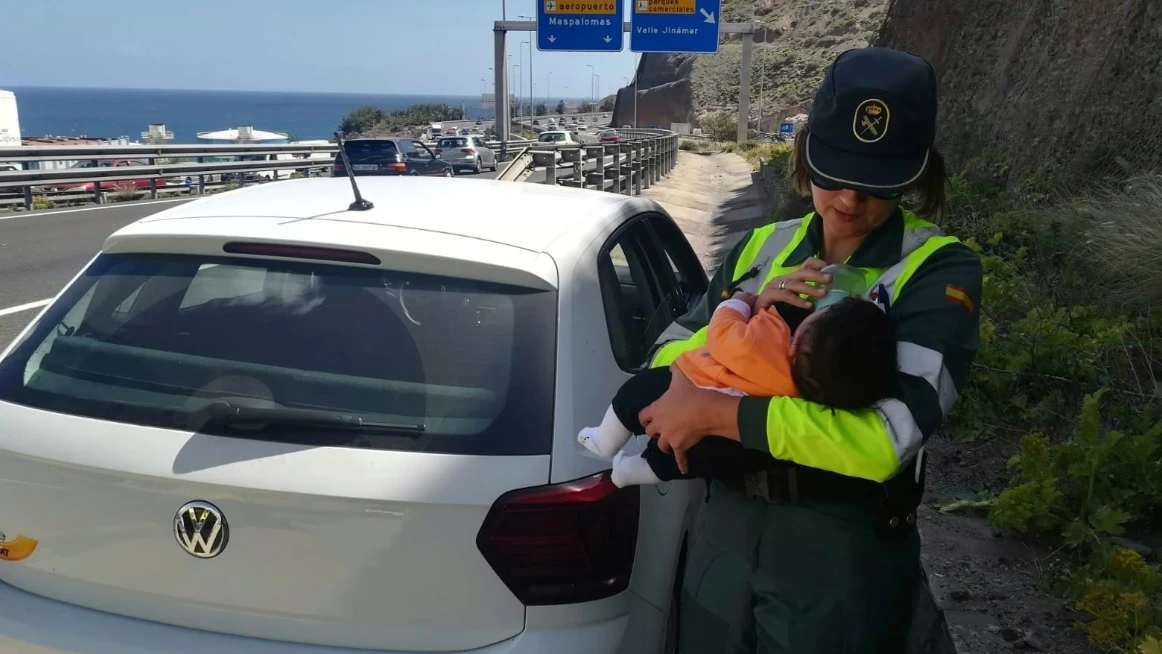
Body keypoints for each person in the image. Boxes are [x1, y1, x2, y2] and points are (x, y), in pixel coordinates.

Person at [639, 46, 983, 653]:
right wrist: (741, 325)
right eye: (835, 175)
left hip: (839, 546)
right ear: (806, 156)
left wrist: (718, 412)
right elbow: (666, 356)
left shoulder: (935, 271)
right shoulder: (762, 248)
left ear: (917, 174)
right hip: (724, 530)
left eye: (877, 186)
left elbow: (884, 440)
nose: (849, 202)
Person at [577, 292, 896, 488]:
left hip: (690, 377)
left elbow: (723, 333)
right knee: (688, 462)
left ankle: (605, 439)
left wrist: (739, 303)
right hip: (732, 449)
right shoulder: (804, 396)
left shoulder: (768, 337)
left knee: (635, 393)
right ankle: (631, 471)